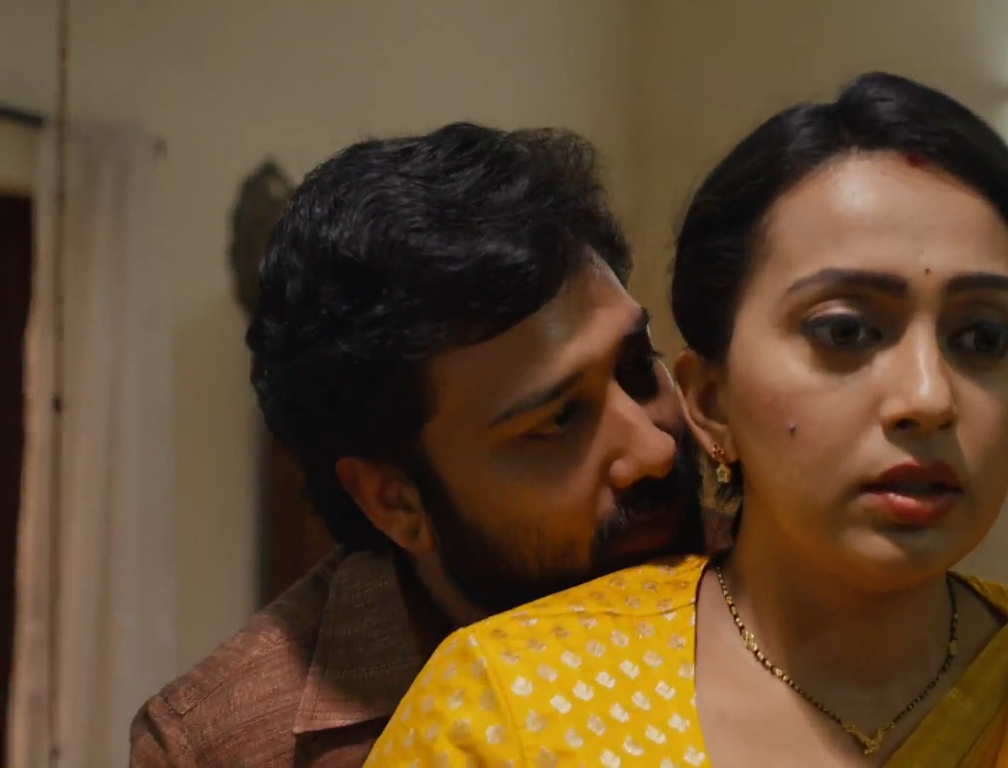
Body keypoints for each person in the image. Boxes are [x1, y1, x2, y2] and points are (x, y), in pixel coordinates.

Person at [364, 72, 1008, 767]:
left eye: (983, 338)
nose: (929, 396)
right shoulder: (512, 711)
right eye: (847, 330)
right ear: (708, 400)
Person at [129, 123, 711, 766]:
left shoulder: (769, 565)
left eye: (636, 366)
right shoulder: (226, 748)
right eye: (555, 422)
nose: (654, 450)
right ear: (395, 502)